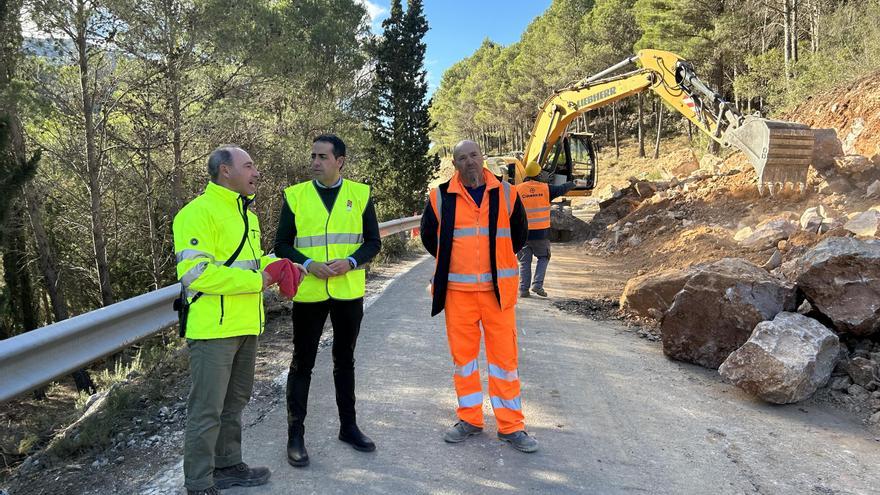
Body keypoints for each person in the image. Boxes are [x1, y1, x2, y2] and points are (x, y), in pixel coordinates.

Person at [173, 145, 304, 495]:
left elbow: (247, 265)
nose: (256, 172)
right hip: (213, 331)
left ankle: (228, 466)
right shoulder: (196, 213)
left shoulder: (248, 214)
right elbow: (196, 274)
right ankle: (199, 483)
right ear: (225, 171)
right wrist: (256, 280)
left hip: (246, 324)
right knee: (206, 410)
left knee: (234, 404)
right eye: (249, 166)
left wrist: (274, 267)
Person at [420, 139, 539, 453]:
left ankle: (511, 426)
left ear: (482, 158)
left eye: (474, 155)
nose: (469, 161)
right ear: (455, 164)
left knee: (504, 362)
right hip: (458, 296)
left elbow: (518, 235)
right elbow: (431, 238)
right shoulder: (440, 198)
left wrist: (498, 260)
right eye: (462, 157)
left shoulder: (507, 194)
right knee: (465, 363)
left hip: (497, 294)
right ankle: (470, 419)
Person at [274, 134, 381, 467]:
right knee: (302, 363)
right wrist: (307, 264)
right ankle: (295, 437)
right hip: (309, 293)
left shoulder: (360, 194)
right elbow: (281, 245)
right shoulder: (295, 196)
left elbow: (373, 243)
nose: (316, 162)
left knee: (344, 360)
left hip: (348, 292)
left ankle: (348, 428)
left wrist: (350, 262)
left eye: (323, 156)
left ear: (340, 161)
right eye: (313, 156)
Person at [516, 163, 587, 298]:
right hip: (540, 233)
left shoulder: (517, 190)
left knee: (525, 261)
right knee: (543, 257)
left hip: (523, 234)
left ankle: (523, 289)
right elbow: (562, 188)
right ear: (539, 174)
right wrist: (574, 183)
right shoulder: (546, 189)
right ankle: (537, 285)